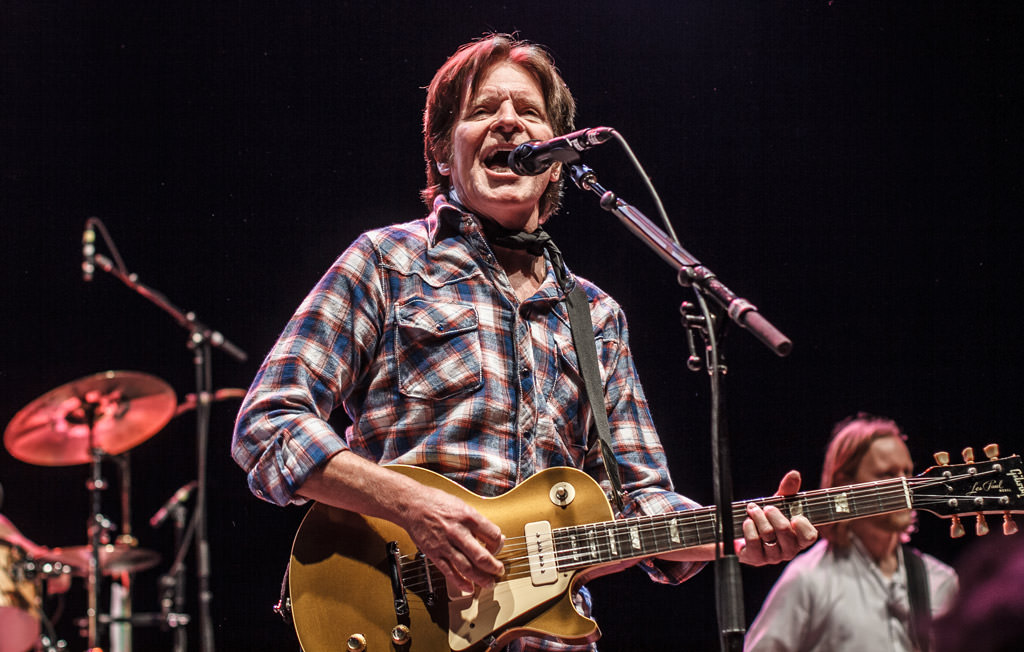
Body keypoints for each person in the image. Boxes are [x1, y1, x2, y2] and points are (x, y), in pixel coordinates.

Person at [232, 33, 817, 651]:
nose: (508, 122)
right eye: (482, 110)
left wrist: (735, 537)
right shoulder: (388, 263)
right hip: (399, 625)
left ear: (557, 153)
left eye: (528, 113)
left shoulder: (595, 314)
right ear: (440, 149)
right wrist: (412, 506)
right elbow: (267, 424)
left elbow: (640, 501)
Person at [745, 414, 959, 652]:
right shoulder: (809, 579)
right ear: (845, 484)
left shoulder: (940, 581)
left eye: (907, 472)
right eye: (887, 474)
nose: (905, 485)